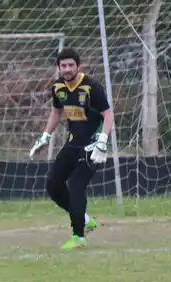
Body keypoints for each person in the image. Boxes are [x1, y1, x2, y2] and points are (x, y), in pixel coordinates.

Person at [30, 48, 114, 250]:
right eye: (63, 66)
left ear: (78, 66)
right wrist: (46, 135)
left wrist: (103, 140)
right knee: (53, 184)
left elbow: (108, 114)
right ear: (58, 67)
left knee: (76, 186)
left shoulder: (91, 87)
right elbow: (57, 112)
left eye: (71, 65)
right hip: (73, 142)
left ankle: (78, 236)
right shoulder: (58, 87)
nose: (67, 69)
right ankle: (85, 219)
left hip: (93, 145)